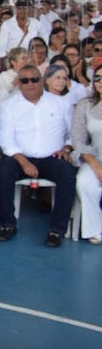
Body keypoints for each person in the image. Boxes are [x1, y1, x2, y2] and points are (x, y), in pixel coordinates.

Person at [0, 64, 78, 247]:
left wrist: (66, 148)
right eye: (24, 80)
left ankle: (57, 229)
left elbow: (73, 133)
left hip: (53, 156)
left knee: (67, 173)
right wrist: (23, 161)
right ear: (19, 84)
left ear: (42, 81)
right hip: (20, 157)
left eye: (34, 79)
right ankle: (8, 224)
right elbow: (5, 139)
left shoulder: (60, 103)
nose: (30, 84)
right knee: (3, 171)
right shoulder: (9, 106)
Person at [71, 62, 102, 244]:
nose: (100, 82)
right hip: (94, 158)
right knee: (84, 182)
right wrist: (96, 165)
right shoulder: (85, 105)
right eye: (97, 78)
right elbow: (78, 140)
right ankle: (95, 229)